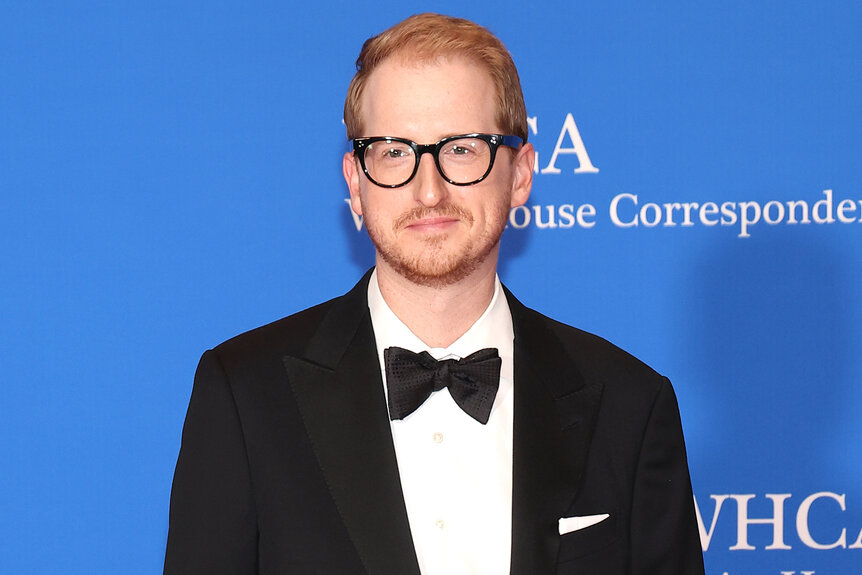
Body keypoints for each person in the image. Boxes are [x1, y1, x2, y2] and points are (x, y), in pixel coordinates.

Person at [164, 13, 705, 575]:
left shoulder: (630, 405)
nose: (430, 189)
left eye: (463, 149)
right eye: (395, 152)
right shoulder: (246, 395)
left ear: (520, 175)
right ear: (355, 183)